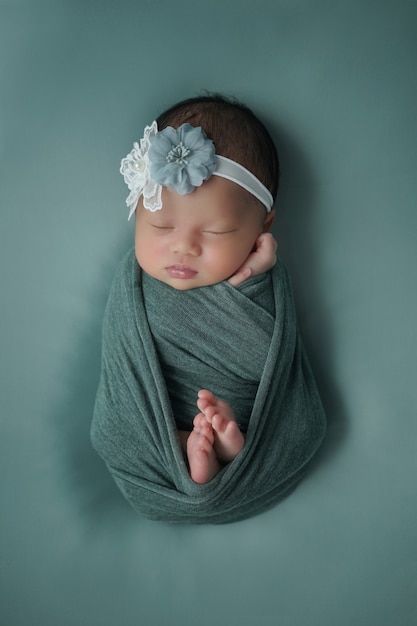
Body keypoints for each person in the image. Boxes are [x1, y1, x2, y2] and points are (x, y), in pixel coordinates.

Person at [120, 94, 279, 484]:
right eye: (160, 227)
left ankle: (224, 443)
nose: (184, 247)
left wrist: (252, 276)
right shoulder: (134, 288)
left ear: (263, 226)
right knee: (132, 430)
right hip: (156, 420)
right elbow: (122, 371)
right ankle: (198, 446)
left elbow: (264, 353)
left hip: (235, 403)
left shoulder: (252, 278)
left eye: (215, 232)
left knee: (223, 412)